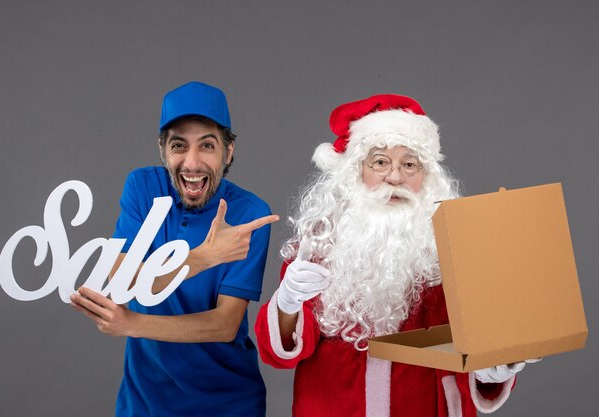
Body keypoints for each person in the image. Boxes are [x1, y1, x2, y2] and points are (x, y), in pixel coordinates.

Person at [255, 94, 537, 417]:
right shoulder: (320, 243)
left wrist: (493, 369)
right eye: (380, 162)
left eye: (409, 164)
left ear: (425, 176)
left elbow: (477, 347)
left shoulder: (456, 247)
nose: (395, 177)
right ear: (356, 172)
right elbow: (281, 355)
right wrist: (287, 303)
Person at [70, 81, 278, 417]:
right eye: (179, 145)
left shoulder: (250, 214)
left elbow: (224, 325)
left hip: (227, 403)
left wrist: (132, 323)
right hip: (144, 402)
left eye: (207, 146)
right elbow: (124, 279)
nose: (192, 163)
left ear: (228, 152)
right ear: (162, 149)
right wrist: (203, 257)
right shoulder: (142, 188)